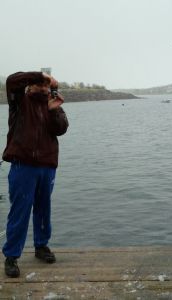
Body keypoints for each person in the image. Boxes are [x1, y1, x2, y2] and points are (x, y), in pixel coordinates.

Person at [2, 71, 69, 277]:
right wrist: (40, 75)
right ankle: (12, 256)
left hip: (47, 166)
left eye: (45, 85)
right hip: (23, 166)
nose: (42, 87)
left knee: (43, 208)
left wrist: (53, 110)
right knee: (20, 210)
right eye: (38, 84)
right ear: (29, 86)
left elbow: (61, 129)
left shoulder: (53, 104)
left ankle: (41, 246)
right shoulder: (19, 102)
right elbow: (12, 81)